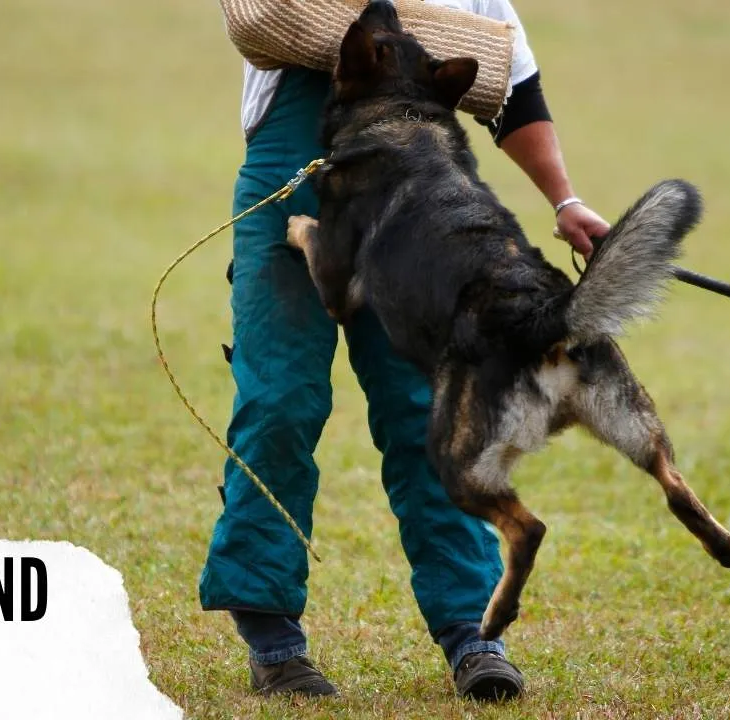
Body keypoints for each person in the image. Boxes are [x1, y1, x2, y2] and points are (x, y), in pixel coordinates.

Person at [198, 0, 612, 701]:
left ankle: (472, 633)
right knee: (280, 400)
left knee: (428, 409)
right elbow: (259, 20)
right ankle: (272, 639)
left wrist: (565, 201)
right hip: (291, 185)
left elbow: (514, 89)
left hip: (416, 203)